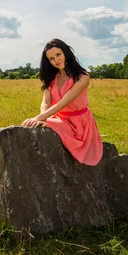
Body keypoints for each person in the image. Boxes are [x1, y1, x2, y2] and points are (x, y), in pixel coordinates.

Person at [22, 38, 103, 166]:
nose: (56, 60)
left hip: (79, 124)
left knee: (33, 124)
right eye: (51, 58)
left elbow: (63, 103)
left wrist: (40, 117)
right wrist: (42, 119)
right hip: (60, 119)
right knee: (31, 126)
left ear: (66, 53)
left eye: (58, 54)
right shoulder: (53, 78)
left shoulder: (83, 76)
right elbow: (45, 101)